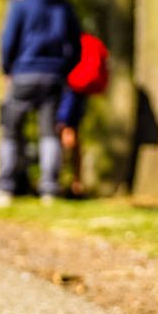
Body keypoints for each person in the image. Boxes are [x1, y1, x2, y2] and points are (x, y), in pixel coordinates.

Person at [0, 0, 81, 208]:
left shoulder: (21, 3)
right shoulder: (63, 5)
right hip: (54, 76)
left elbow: (9, 40)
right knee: (49, 132)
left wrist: (7, 69)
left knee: (11, 129)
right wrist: (63, 69)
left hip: (24, 72)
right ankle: (50, 189)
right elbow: (76, 44)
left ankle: (5, 187)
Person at [57, 33, 110, 198]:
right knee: (73, 135)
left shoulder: (67, 40)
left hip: (68, 88)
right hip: (80, 90)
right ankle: (75, 182)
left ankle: (64, 181)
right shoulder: (88, 41)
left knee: (65, 133)